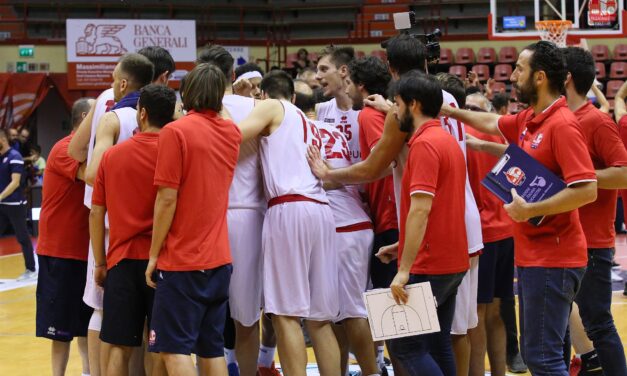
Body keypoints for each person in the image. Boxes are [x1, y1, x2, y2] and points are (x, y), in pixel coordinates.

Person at [440, 41, 597, 376]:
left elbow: (586, 189)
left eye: (519, 70)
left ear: (539, 77)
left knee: (542, 357)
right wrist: (452, 113)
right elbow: (491, 122)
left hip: (554, 257)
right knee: (545, 352)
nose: (513, 76)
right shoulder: (531, 118)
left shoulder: (562, 124)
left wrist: (530, 210)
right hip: (534, 255)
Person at [235, 70, 341, 376]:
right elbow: (330, 177)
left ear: (264, 95)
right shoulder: (309, 122)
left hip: (289, 209)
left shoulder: (271, 106)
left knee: (284, 314)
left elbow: (231, 135)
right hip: (321, 209)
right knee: (320, 319)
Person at [68, 49, 161, 376]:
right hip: (153, 226)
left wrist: (85, 173)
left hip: (108, 223)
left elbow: (75, 152)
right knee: (153, 319)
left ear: (123, 82)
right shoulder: (166, 114)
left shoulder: (106, 103)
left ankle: (93, 373)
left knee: (102, 309)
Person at [145, 63, 240, 376]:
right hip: (219, 259)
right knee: (211, 349)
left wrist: (154, 254)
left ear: (185, 94)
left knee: (174, 350)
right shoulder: (232, 131)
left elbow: (167, 198)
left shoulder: (175, 132)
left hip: (183, 259)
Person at [197, 44, 279, 376]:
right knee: (247, 320)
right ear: (234, 75)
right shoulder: (260, 108)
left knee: (204, 317)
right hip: (249, 214)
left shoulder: (191, 112)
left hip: (205, 216)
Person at [384, 70, 469, 375]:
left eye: (396, 103)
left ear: (413, 104)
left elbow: (421, 210)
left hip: (430, 264)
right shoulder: (444, 139)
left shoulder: (423, 145)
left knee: (405, 347)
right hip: (452, 261)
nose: (394, 110)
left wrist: (404, 269)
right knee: (437, 344)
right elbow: (438, 208)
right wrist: (402, 244)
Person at [294, 80, 379, 376]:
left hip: (343, 226)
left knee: (353, 311)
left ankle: (372, 372)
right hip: (346, 223)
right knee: (336, 315)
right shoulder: (332, 128)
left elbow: (331, 178)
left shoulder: (300, 133)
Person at [90, 84, 175, 376]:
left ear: (142, 114)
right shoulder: (179, 151)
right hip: (166, 259)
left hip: (121, 260)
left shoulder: (112, 157)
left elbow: (96, 212)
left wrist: (100, 262)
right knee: (162, 345)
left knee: (117, 345)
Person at [562, 46, 627, 376]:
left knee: (598, 322)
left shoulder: (598, 122)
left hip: (591, 243)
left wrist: (579, 175)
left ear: (566, 77)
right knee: (558, 325)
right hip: (558, 239)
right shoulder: (556, 119)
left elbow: (624, 173)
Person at [35, 98, 94, 376]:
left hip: (86, 251)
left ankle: (86, 371)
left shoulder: (89, 151)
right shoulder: (64, 149)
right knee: (59, 329)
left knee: (87, 322)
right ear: (84, 116)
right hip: (61, 251)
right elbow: (94, 177)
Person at [346, 56, 397, 375]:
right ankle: (380, 364)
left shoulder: (368, 114)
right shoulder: (379, 111)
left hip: (391, 217)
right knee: (390, 308)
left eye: (350, 82)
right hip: (388, 215)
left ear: (361, 86)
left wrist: (337, 176)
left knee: (396, 313)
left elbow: (385, 161)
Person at [463, 92, 514, 376]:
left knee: (477, 315)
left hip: (482, 234)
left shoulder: (462, 135)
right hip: (507, 229)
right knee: (496, 313)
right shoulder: (499, 132)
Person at [316, 46, 361, 162]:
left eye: (324, 69)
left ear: (343, 71)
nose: (317, 76)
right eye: (317, 70)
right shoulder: (319, 110)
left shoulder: (367, 109)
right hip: (333, 180)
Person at [0, 129, 34, 280]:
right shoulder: (1, 158)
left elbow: (14, 183)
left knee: (22, 236)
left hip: (15, 203)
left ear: (2, 139)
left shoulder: (15, 156)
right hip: (2, 203)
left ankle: (31, 269)